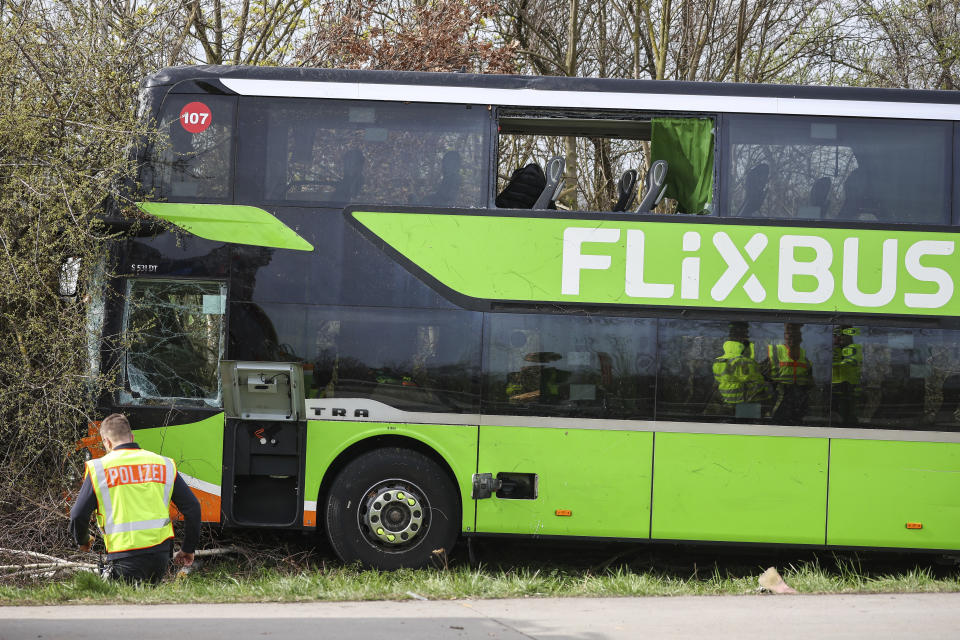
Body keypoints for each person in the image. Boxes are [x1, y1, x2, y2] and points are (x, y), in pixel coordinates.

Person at [70, 413, 201, 583]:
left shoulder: (100, 469)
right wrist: (188, 548)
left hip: (124, 556)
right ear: (131, 437)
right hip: (159, 556)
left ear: (106, 442)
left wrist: (83, 541)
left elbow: (78, 515)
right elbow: (193, 507)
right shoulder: (163, 464)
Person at [712, 322, 767, 418]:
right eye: (745, 333)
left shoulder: (718, 360)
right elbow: (758, 384)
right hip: (746, 404)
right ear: (740, 337)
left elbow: (717, 382)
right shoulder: (745, 361)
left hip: (725, 402)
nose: (747, 336)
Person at [765, 323, 813, 424]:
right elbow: (762, 377)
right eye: (789, 334)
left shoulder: (805, 355)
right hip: (778, 402)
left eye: (795, 334)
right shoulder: (774, 351)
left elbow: (810, 382)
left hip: (798, 405)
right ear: (784, 336)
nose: (792, 337)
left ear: (800, 338)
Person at [831, 326, 862, 426]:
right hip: (835, 388)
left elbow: (849, 365)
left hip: (848, 388)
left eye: (843, 335)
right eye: (837, 335)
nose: (840, 338)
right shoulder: (834, 349)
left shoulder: (855, 349)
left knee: (847, 415)